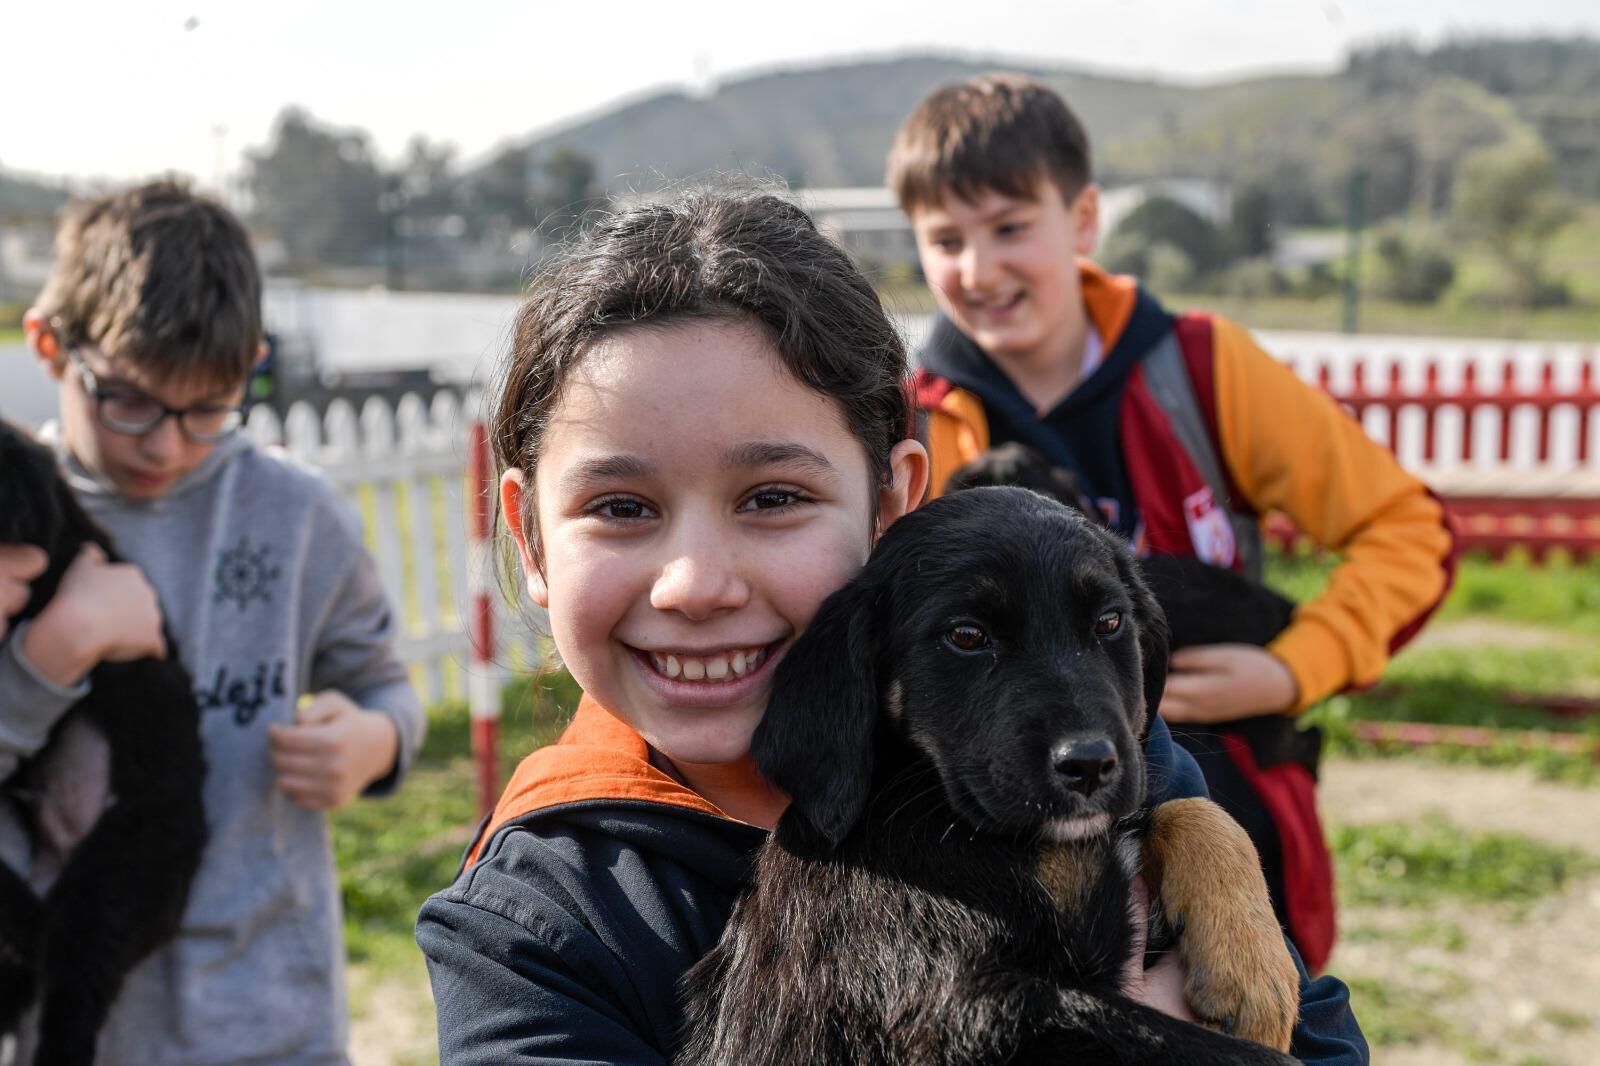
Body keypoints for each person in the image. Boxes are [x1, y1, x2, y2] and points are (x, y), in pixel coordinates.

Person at [415, 187, 1369, 1064]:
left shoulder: (1064, 739)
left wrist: (1198, 837)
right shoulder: (530, 927)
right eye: (620, 508)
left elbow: (1317, 1035)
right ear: (532, 541)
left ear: (891, 509)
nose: (694, 585)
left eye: (774, 496)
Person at [887, 73, 1459, 973]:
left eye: (1009, 228)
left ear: (1082, 220)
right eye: (946, 240)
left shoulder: (1200, 367)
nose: (979, 269)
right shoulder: (911, 423)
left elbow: (1408, 530)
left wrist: (1292, 667)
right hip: (1003, 856)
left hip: (1230, 819)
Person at [0, 179, 426, 1065]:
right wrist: (46, 661)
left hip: (276, 1021)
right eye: (127, 399)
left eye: (206, 407)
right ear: (49, 345)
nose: (165, 442)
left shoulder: (298, 516)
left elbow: (384, 683)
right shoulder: (13, 522)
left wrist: (374, 741)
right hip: (71, 1026)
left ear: (252, 365)